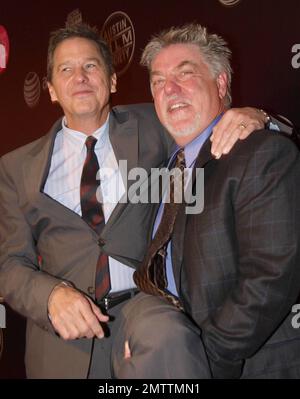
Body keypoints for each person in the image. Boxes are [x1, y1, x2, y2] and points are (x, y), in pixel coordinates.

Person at [0, 23, 290, 379]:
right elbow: (8, 263)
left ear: (113, 81)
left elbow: (208, 120)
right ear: (50, 90)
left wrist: (258, 117)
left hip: (152, 325)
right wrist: (49, 296)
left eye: (91, 66)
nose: (80, 77)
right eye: (66, 69)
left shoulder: (158, 123)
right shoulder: (15, 168)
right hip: (63, 346)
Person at [112, 23, 300, 379]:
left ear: (221, 83)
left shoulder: (261, 153)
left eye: (185, 74)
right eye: (158, 82)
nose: (170, 89)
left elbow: (269, 278)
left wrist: (198, 360)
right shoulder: (164, 168)